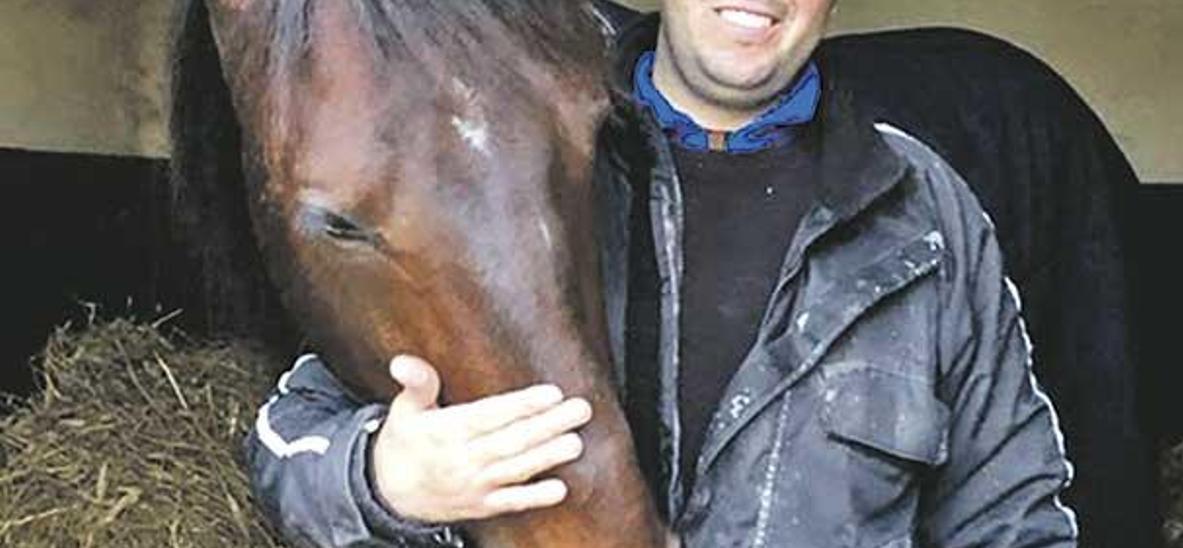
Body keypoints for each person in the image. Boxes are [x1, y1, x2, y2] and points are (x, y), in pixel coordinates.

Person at [245, 1, 1083, 546]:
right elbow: (288, 439)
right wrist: (382, 475)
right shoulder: (518, 170)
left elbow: (1011, 513)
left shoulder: (925, 215)